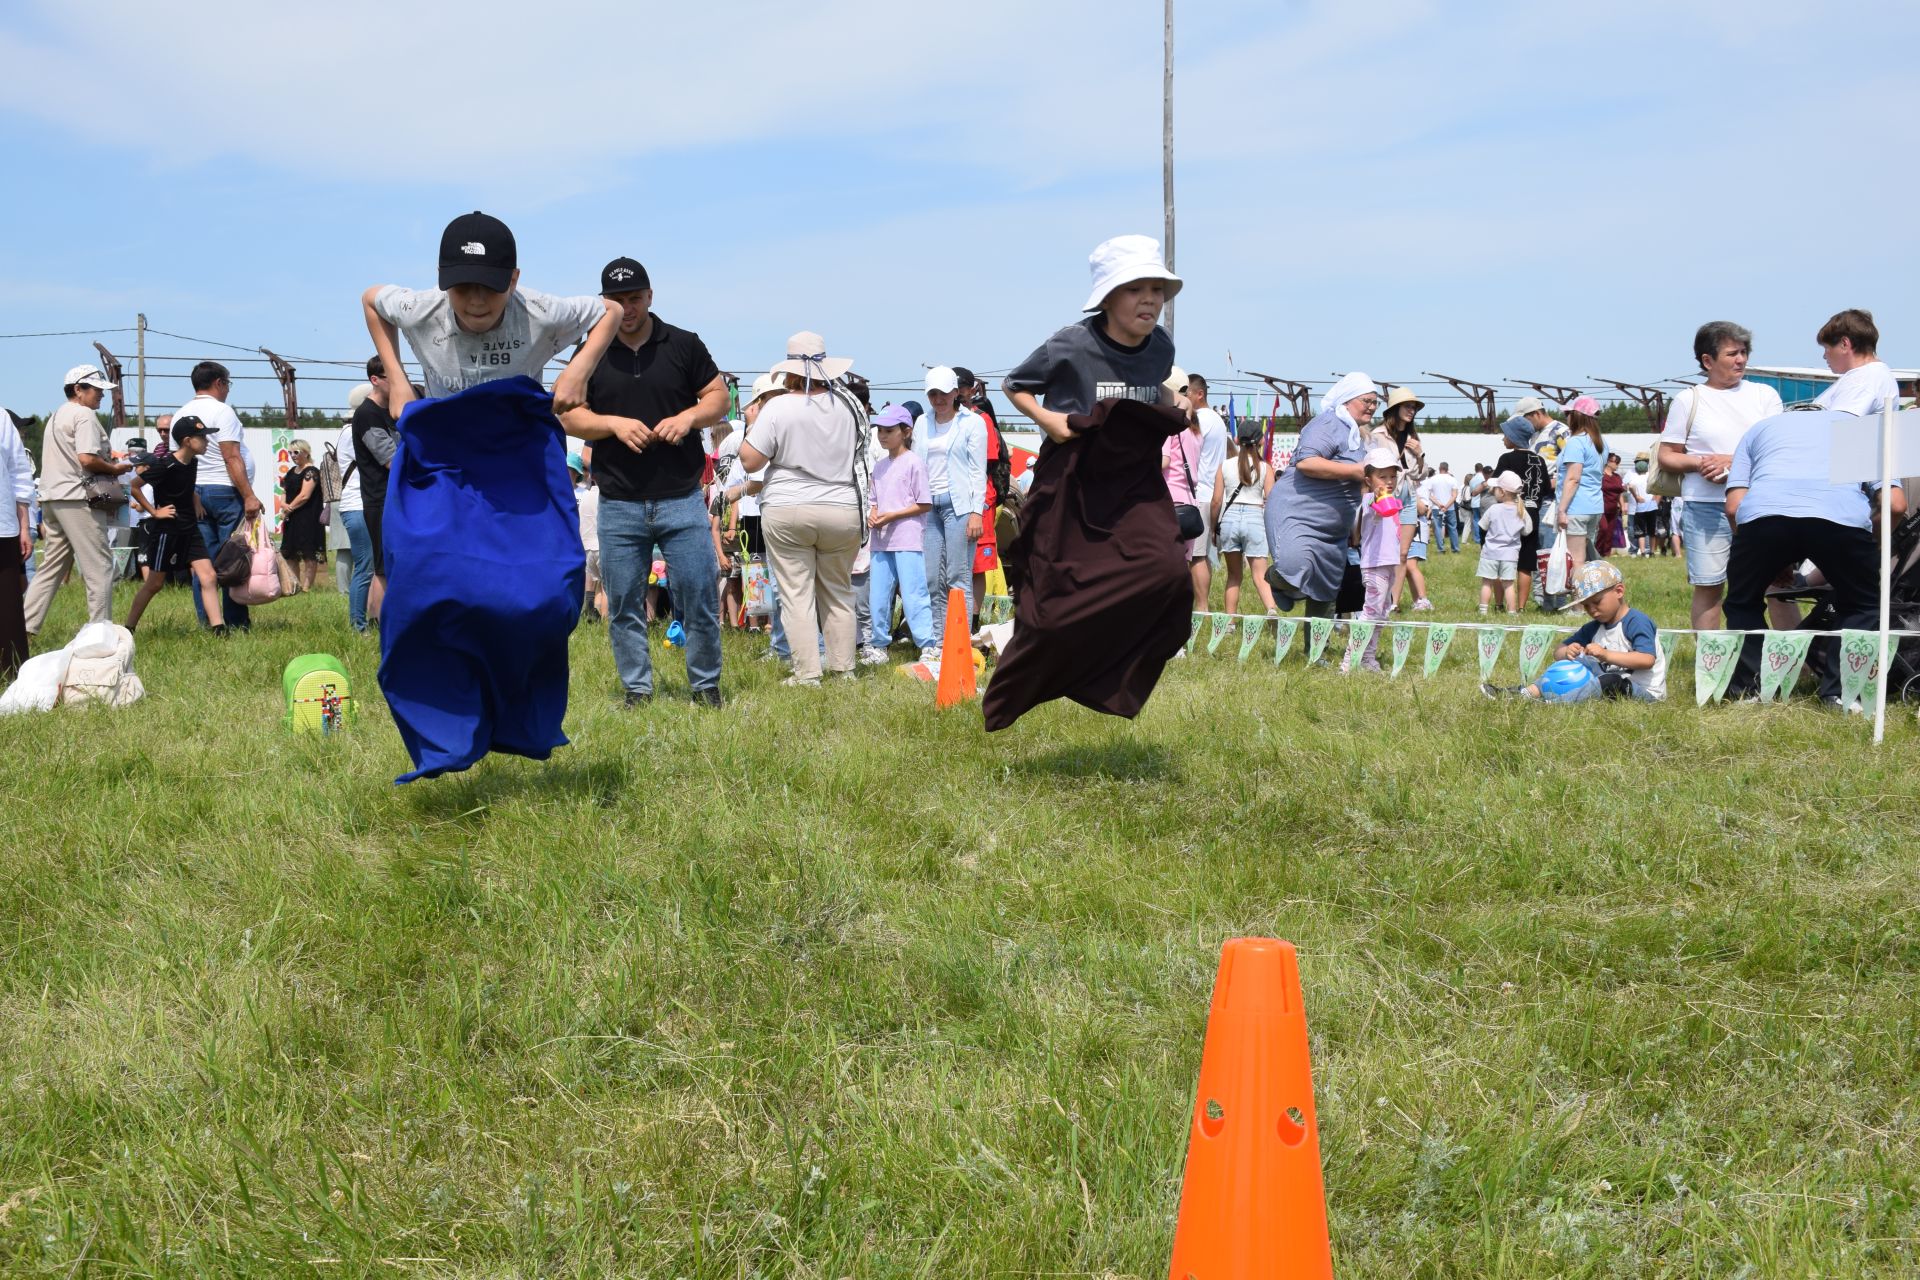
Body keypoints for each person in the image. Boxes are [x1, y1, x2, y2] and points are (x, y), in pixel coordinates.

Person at [986, 233, 1187, 731]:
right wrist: (1050, 421)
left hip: (1136, 479)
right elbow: (1016, 384)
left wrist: (1174, 401)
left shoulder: (1161, 347)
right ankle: (1021, 678)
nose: (1149, 300)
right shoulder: (1071, 344)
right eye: (1135, 289)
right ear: (1107, 297)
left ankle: (1110, 674)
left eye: (1157, 290)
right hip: (1073, 480)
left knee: (1170, 577)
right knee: (1053, 606)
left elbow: (1152, 384)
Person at [558, 256, 729, 708]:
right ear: (603, 303)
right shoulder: (590, 353)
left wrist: (689, 416)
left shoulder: (683, 344)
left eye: (634, 298)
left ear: (650, 296)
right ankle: (637, 689)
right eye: (616, 300)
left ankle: (705, 685)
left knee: (698, 595)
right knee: (624, 604)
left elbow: (719, 397)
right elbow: (568, 413)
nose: (627, 307)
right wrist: (612, 424)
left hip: (682, 499)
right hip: (618, 501)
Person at [361, 210, 618, 424]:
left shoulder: (541, 313)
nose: (476, 301)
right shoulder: (419, 310)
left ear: (513, 280)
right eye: (462, 287)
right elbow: (371, 299)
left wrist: (579, 371)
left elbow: (611, 310)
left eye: (490, 287)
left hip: (518, 443)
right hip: (447, 442)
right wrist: (397, 380)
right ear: (442, 278)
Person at [1723, 410, 1906, 705]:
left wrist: (1770, 559)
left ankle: (1750, 690)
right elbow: (1895, 505)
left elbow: (1734, 507)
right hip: (1842, 519)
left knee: (1742, 601)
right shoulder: (1861, 428)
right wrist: (1865, 546)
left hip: (1763, 517)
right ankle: (1841, 695)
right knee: (1862, 604)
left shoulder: (1758, 429)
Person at [738, 333, 867, 687]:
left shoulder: (778, 407)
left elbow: (750, 461)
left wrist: (755, 424)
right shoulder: (848, 405)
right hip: (842, 505)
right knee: (839, 590)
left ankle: (807, 673)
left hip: (789, 505)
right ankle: (844, 669)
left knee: (796, 593)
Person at [1657, 320, 1784, 629]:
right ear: (1707, 360)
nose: (1740, 359)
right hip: (1705, 507)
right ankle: (1711, 669)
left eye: (1743, 352)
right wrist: (1701, 464)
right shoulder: (1688, 399)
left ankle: (1796, 667)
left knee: (1778, 587)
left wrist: (1732, 461)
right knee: (1709, 587)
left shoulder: (1764, 395)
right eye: (1732, 353)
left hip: (1759, 505)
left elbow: (1779, 450)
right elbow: (1666, 455)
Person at [22, 364, 130, 639]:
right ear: (78, 389)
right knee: (100, 565)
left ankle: (22, 629)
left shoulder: (58, 414)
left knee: (51, 568)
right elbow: (86, 458)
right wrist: (116, 467)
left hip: (51, 498)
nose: (101, 396)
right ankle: (100, 634)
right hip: (77, 499)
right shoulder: (84, 415)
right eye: (96, 390)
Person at [1265, 374, 1377, 617]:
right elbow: (1307, 462)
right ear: (1347, 400)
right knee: (1293, 570)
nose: (1372, 406)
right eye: (1366, 400)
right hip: (1299, 514)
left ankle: (1317, 653)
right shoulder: (1328, 423)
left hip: (1334, 529)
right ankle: (1276, 580)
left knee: (1325, 592)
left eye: (1375, 402)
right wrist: (1357, 470)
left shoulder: (1358, 435)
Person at [1487, 561, 1665, 702]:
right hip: (1605, 682)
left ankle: (1559, 702)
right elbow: (1558, 653)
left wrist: (1606, 655)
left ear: (1619, 591)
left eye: (1597, 602)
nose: (1592, 610)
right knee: (1568, 664)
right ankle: (1527, 692)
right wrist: (1567, 651)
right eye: (1586, 606)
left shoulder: (1636, 621)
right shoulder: (1594, 626)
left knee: (1612, 681)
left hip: (1643, 691)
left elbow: (1646, 659)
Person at [176, 361, 258, 631]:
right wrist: (248, 496)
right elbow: (231, 456)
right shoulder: (222, 412)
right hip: (225, 492)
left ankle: (209, 621)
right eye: (228, 384)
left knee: (204, 562)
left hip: (194, 494)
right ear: (219, 383)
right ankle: (236, 622)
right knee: (233, 558)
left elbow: (179, 461)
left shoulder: (181, 414)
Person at [125, 417, 226, 634]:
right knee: (155, 584)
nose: (207, 441)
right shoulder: (165, 465)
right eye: (203, 437)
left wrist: (196, 500)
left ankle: (219, 629)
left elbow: (185, 487)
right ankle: (128, 627)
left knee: (208, 576)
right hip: (167, 530)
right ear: (188, 441)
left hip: (190, 528)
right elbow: (134, 486)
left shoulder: (193, 462)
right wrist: (154, 512)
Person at [913, 366, 988, 644]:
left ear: (956, 392)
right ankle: (937, 640)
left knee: (958, 577)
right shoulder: (922, 422)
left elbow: (978, 470)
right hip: (928, 507)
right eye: (933, 393)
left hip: (960, 506)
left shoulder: (972, 422)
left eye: (944, 393)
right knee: (933, 578)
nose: (938, 399)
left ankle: (959, 642)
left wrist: (976, 512)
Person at [866, 404, 936, 661]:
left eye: (889, 430)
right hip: (880, 540)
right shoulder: (879, 466)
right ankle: (878, 644)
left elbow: (925, 503)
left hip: (906, 538)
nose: (883, 435)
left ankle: (927, 644)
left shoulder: (914, 463)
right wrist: (873, 513)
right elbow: (873, 499)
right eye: (880, 430)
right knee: (879, 594)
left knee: (913, 591)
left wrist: (893, 515)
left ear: (906, 431)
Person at [349, 358, 400, 623]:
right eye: (392, 376)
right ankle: (379, 623)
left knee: (385, 565)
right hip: (379, 500)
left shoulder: (390, 411)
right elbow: (392, 460)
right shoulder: (367, 415)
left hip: (390, 500)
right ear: (375, 380)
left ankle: (376, 619)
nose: (399, 383)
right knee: (382, 568)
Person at [1344, 446, 1402, 673]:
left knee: (1382, 612)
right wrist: (1376, 495)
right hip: (1374, 566)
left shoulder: (1393, 500)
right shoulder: (1370, 500)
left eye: (1392, 476)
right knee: (1370, 613)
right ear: (1368, 480)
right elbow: (1371, 505)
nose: (1388, 481)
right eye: (1382, 476)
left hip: (1389, 565)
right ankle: (1349, 660)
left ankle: (1368, 657)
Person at [1209, 422, 1276, 615]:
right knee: (1260, 574)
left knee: (1233, 576)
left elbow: (1216, 501)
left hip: (1229, 519)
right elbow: (1271, 502)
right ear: (1261, 441)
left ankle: (1229, 622)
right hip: (1255, 517)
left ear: (1237, 440)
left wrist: (1214, 527)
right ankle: (1271, 610)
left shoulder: (1225, 466)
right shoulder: (1266, 468)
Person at [1374, 386, 1431, 610]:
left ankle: (1392, 603)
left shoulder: (1413, 437)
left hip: (1408, 497)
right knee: (1386, 550)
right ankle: (1379, 597)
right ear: (1395, 408)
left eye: (1414, 407)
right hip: (1388, 496)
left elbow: (1420, 474)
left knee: (1403, 553)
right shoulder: (1378, 435)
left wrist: (1420, 454)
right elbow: (1374, 466)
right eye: (1408, 406)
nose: (1412, 411)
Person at [1493, 410, 1556, 609]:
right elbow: (1546, 488)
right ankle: (1520, 607)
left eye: (1505, 435)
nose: (1503, 438)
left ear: (1513, 437)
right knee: (1526, 564)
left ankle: (1499, 604)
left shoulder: (1506, 460)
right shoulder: (1539, 461)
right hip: (1533, 516)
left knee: (1502, 558)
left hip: (1509, 515)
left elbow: (1496, 484)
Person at [1162, 369, 1208, 609]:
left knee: (1161, 572)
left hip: (1168, 503)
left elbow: (1164, 461)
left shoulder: (1170, 426)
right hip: (1189, 503)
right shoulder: (1194, 429)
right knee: (1181, 570)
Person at [331, 402, 375, 631]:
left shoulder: (346, 431)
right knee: (365, 566)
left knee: (371, 566)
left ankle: (371, 618)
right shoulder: (352, 432)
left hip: (359, 504)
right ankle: (358, 624)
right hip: (357, 504)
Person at [1186, 372, 1230, 600]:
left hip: (1200, 493)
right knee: (1201, 553)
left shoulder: (1200, 419)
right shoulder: (1218, 420)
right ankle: (1200, 605)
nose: (1182, 397)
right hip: (1213, 492)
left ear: (1199, 394)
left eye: (1186, 392)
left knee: (1197, 555)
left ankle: (1202, 608)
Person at [1555, 395, 1608, 572]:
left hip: (1576, 508)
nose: (1567, 417)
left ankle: (1580, 600)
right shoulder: (1600, 443)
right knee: (1586, 559)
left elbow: (1573, 478)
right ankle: (1591, 598)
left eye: (1569, 413)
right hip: (1594, 507)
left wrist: (1561, 510)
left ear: (1577, 416)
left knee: (1576, 562)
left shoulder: (1576, 442)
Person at [1813, 309, 1900, 415]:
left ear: (1844, 344)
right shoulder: (1873, 375)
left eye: (1826, 348)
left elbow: (1838, 425)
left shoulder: (1862, 380)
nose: (1824, 356)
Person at [0, 402, 34, 673]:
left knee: (7, 604)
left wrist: (24, 526)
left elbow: (19, 474)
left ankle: (10, 671)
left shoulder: (1, 416)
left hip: (3, 524)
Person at [1477, 470, 1532, 614]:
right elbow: (1527, 530)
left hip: (1490, 553)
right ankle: (1512, 612)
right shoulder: (1521, 511)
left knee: (1487, 582)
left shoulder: (1494, 509)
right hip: (1510, 555)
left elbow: (1482, 525)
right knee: (1508, 585)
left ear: (1501, 491)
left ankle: (1483, 610)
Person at [278, 440, 323, 591]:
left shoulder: (312, 471)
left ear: (306, 452)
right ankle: (295, 585)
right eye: (290, 453)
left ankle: (306, 587)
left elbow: (304, 495)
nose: (292, 455)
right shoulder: (291, 471)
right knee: (290, 553)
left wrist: (288, 509)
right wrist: (283, 505)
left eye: (296, 452)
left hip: (308, 518)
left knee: (309, 553)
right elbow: (284, 491)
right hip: (292, 518)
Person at [569, 453, 608, 622]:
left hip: (586, 547)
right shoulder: (603, 498)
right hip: (601, 545)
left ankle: (592, 615)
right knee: (607, 586)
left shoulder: (585, 496)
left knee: (595, 582)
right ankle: (606, 621)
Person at [1424, 461, 1461, 553]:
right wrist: (1446, 506)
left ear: (1439, 468)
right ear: (1447, 469)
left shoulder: (1432, 479)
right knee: (1452, 527)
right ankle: (1455, 548)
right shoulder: (1452, 479)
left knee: (1438, 528)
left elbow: (1429, 494)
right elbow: (1454, 495)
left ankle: (1440, 548)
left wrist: (1439, 504)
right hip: (1450, 507)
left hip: (1437, 508)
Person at [1626, 452, 1657, 556]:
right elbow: (1625, 486)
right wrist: (1636, 496)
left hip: (1651, 507)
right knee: (1636, 531)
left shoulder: (1652, 473)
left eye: (1643, 461)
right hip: (1634, 508)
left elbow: (1659, 487)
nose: (1640, 464)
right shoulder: (1630, 472)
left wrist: (1656, 499)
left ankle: (1649, 551)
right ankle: (1635, 551)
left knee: (1650, 530)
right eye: (1638, 461)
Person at [1598, 453, 1626, 559]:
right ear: (1609, 461)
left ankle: (1606, 553)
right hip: (1601, 508)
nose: (1618, 465)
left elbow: (1620, 493)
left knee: (1610, 532)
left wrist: (1622, 506)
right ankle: (1597, 551)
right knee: (1603, 529)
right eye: (1616, 462)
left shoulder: (1617, 477)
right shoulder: (1600, 476)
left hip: (1613, 509)